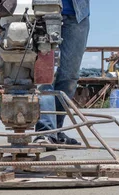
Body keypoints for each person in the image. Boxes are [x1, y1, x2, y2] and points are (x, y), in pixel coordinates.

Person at [35, 0, 90, 147]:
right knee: (44, 77)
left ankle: (57, 130)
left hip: (77, 14)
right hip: (42, 13)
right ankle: (45, 132)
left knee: (70, 77)